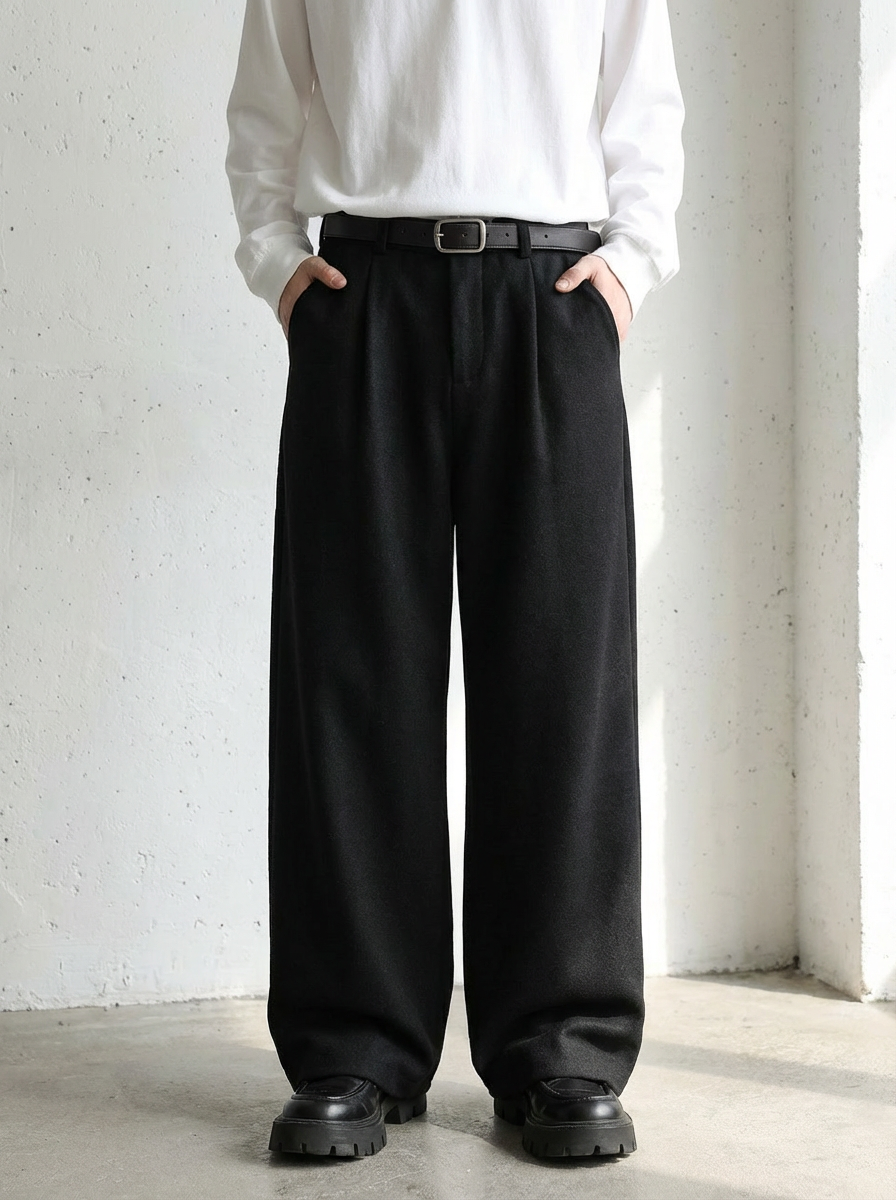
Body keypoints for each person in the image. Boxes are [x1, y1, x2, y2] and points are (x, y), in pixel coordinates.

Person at [225, 0, 684, 1162]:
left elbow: (642, 101)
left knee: (561, 684)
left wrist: (630, 264)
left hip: (553, 294)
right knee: (350, 683)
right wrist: (280, 267)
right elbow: (265, 111)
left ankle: (561, 1047)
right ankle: (354, 1048)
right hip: (362, 295)